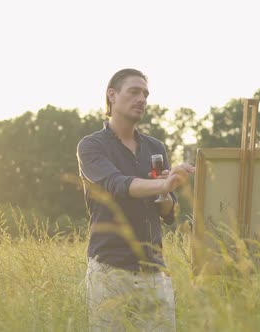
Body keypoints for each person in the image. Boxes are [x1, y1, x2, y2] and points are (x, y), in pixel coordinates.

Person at [77, 68, 195, 331]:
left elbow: (169, 214)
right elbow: (116, 184)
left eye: (145, 94)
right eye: (133, 92)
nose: (141, 99)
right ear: (112, 95)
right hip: (110, 269)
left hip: (154, 271)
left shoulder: (155, 148)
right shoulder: (91, 146)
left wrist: (165, 191)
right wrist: (162, 183)